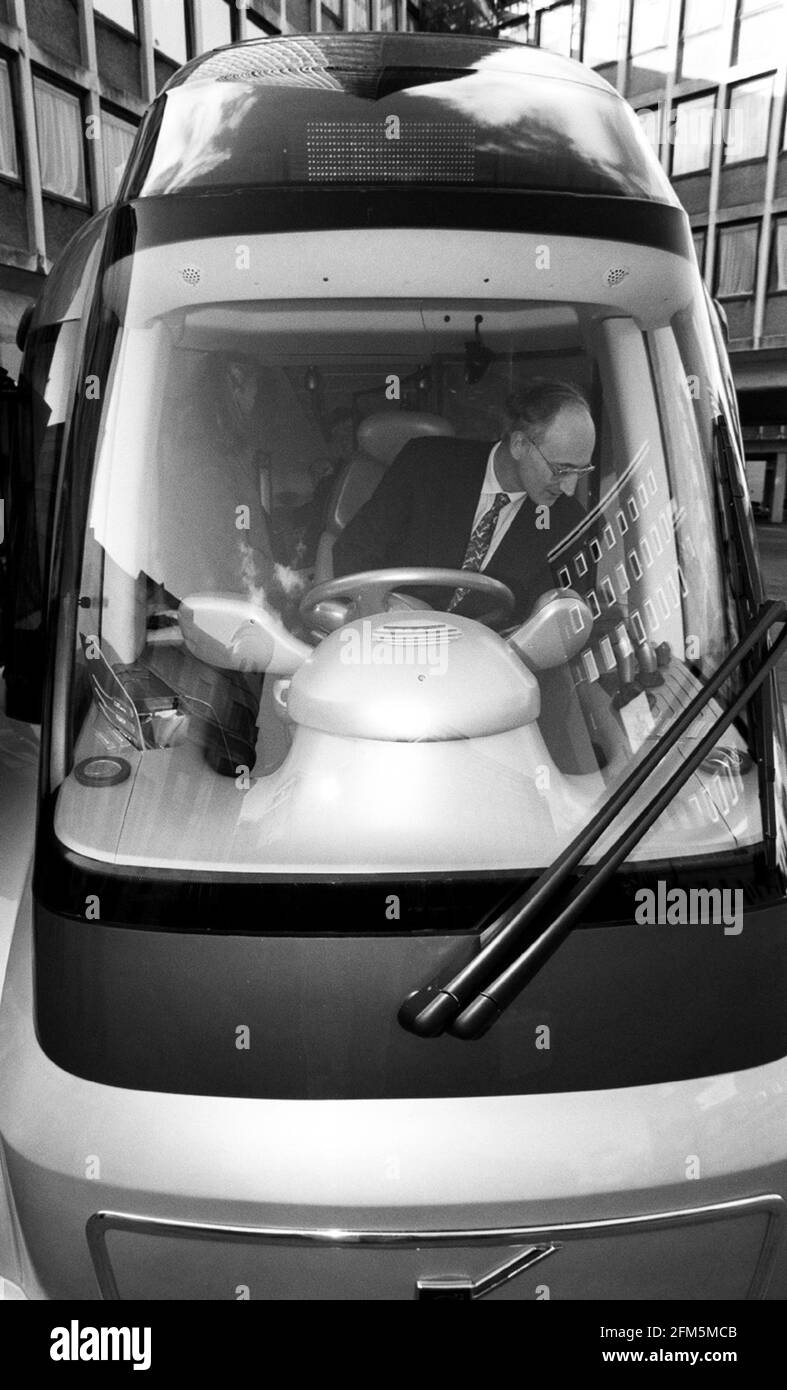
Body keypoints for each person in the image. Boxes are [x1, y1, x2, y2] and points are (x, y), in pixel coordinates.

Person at [333, 379, 595, 623]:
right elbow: (354, 551)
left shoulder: (570, 525)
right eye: (561, 469)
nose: (570, 489)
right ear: (519, 445)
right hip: (389, 646)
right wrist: (388, 612)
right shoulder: (427, 463)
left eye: (581, 472)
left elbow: (557, 625)